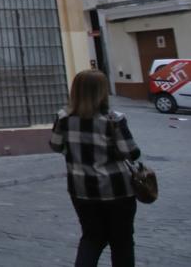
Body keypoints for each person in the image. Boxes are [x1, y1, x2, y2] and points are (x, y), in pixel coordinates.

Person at [49, 69, 142, 267]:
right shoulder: (113, 119)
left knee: (91, 237)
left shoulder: (64, 118)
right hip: (116, 189)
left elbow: (55, 145)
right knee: (122, 241)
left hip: (81, 188)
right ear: (101, 91)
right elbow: (131, 152)